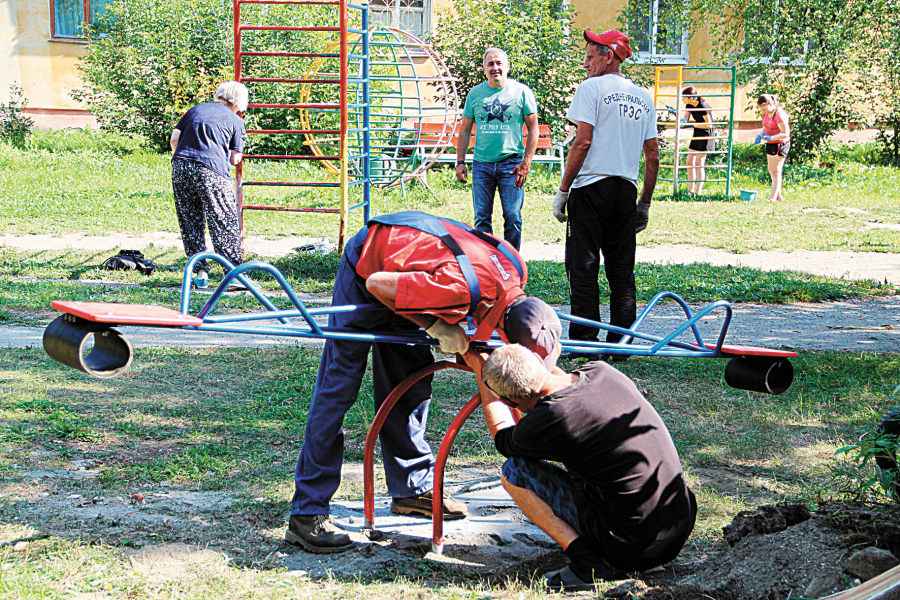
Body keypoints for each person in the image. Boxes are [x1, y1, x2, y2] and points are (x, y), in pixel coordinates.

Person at [285, 210, 562, 554]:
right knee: (339, 386)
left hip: (413, 271)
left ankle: (411, 488)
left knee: (409, 380)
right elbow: (377, 285)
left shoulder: (515, 267)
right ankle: (307, 512)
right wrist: (435, 325)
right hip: (370, 267)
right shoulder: (458, 289)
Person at [463, 344, 696, 591]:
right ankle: (616, 543)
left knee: (514, 472)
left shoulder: (551, 417)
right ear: (539, 361)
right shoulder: (602, 371)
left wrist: (481, 372)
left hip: (632, 549)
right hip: (678, 526)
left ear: (512, 402)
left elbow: (502, 437)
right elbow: (556, 380)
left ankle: (589, 564)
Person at [551, 29, 659, 350]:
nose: (585, 65)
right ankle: (623, 343)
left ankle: (586, 342)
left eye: (589, 57)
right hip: (625, 191)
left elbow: (582, 142)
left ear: (607, 56)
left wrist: (563, 190)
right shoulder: (643, 96)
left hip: (590, 189)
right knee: (622, 271)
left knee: (583, 267)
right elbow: (652, 155)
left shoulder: (591, 88)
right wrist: (645, 203)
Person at [456, 48, 539, 251]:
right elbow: (465, 129)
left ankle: (511, 263)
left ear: (507, 66)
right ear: (484, 68)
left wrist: (526, 162)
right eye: (491, 64)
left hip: (512, 165)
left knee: (513, 217)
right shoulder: (475, 94)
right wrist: (460, 162)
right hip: (482, 165)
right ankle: (488, 264)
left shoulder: (521, 92)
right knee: (482, 218)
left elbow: (533, 127)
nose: (495, 68)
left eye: (499, 63)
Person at [169, 81, 248, 289]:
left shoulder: (196, 109)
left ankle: (200, 272)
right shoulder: (235, 120)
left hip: (181, 166)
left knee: (190, 220)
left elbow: (174, 138)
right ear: (238, 102)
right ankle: (234, 274)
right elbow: (234, 158)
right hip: (212, 171)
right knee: (223, 221)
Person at [754, 94, 791, 202]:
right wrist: (761, 136)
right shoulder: (766, 115)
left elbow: (785, 134)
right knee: (771, 169)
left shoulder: (780, 115)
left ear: (771, 104)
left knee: (776, 170)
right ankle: (779, 196)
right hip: (771, 143)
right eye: (762, 109)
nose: (764, 111)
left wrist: (770, 137)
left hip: (780, 143)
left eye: (765, 108)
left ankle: (773, 198)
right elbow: (765, 128)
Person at [680, 86, 715, 196]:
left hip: (706, 134)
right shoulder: (689, 105)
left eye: (684, 97)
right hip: (697, 132)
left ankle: (698, 192)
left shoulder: (703, 106)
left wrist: (692, 124)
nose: (682, 99)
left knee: (699, 163)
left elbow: (708, 124)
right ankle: (691, 190)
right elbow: (686, 118)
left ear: (691, 98)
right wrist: (681, 119)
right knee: (689, 161)